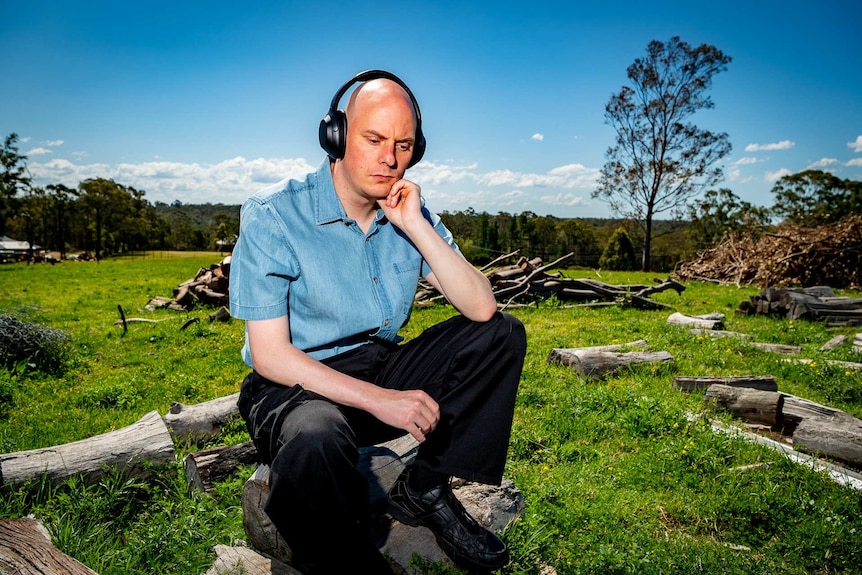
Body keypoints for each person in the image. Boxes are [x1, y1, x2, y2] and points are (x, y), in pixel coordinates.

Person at [229, 69, 527, 574]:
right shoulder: (274, 214)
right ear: (337, 136)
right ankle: (347, 559)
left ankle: (425, 485)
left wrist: (415, 225)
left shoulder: (408, 211)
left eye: (404, 145)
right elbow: (270, 355)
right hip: (294, 386)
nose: (390, 159)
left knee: (501, 335)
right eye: (373, 139)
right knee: (316, 437)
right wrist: (382, 401)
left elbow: (482, 308)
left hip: (377, 367)